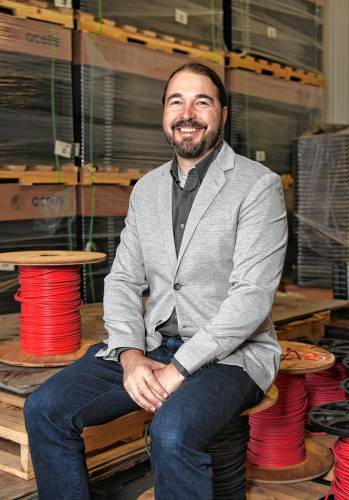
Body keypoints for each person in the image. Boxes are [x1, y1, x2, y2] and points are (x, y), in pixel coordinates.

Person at [24, 62, 288, 499]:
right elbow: (124, 279)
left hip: (230, 356)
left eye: (202, 101)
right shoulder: (146, 190)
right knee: (45, 408)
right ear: (164, 115)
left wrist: (179, 369)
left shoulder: (257, 186)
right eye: (176, 101)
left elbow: (251, 298)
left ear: (222, 113)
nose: (188, 112)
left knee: (171, 432)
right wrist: (129, 355)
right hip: (152, 345)